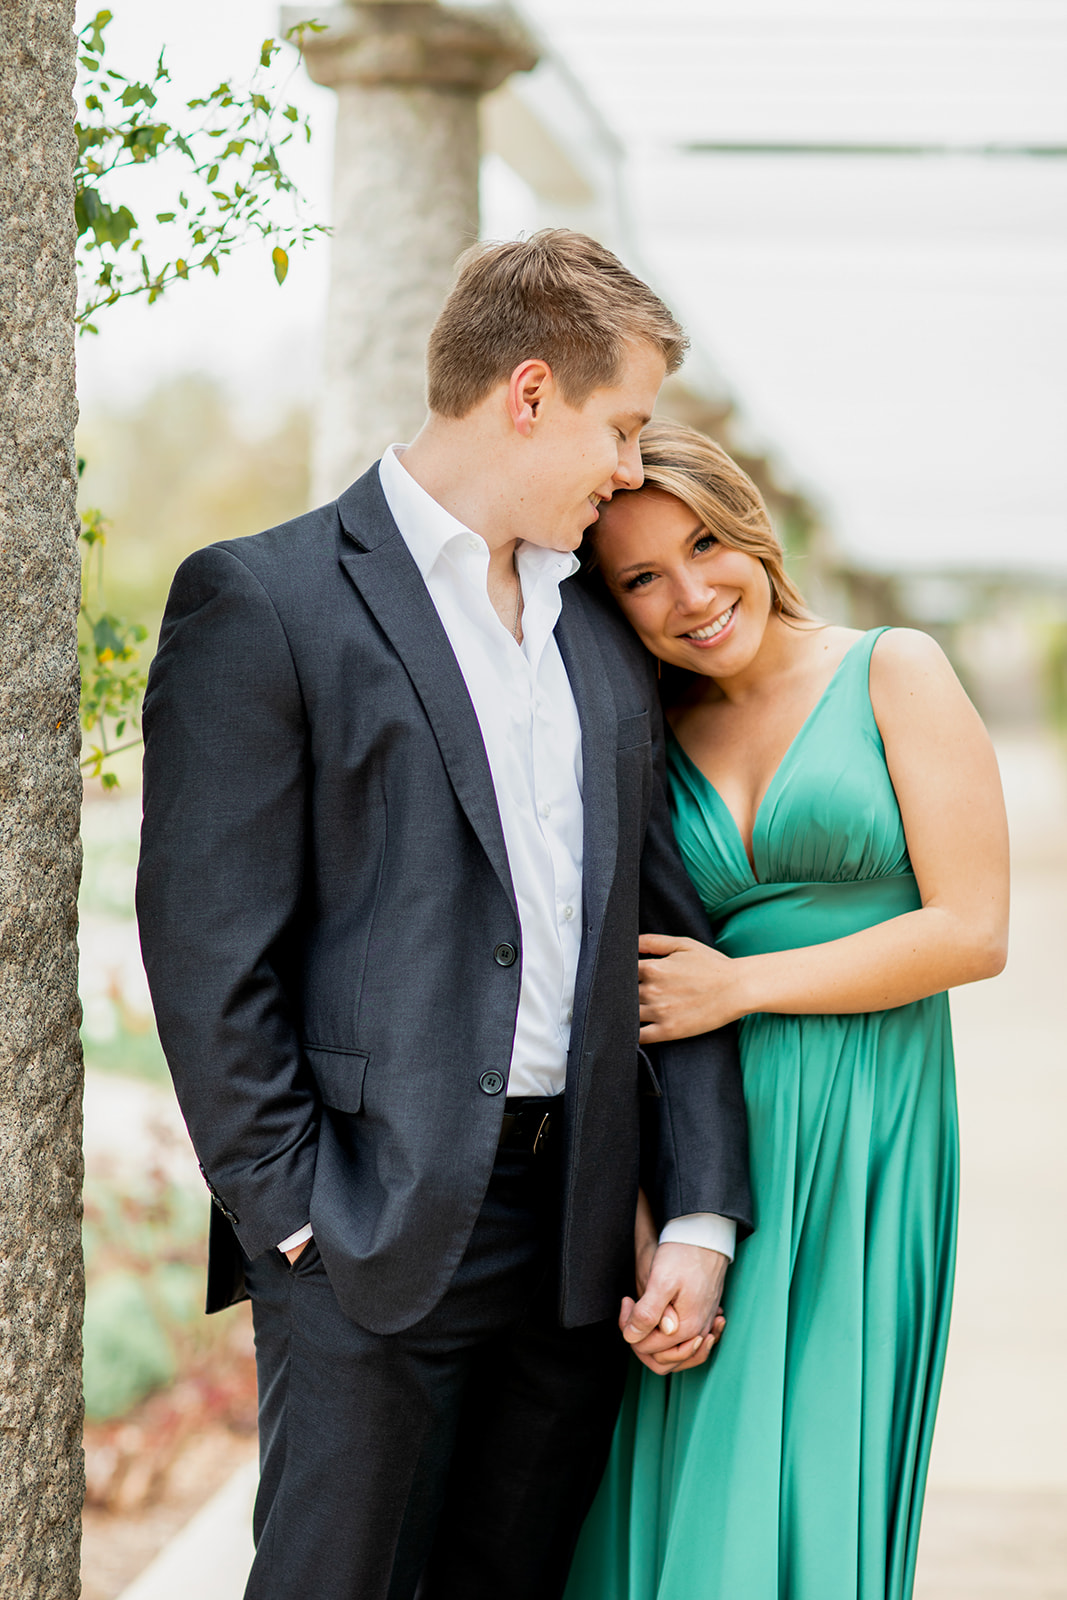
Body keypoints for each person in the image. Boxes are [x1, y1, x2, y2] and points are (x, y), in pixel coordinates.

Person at [135, 234, 753, 1600]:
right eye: (620, 425)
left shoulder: (598, 623)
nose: (630, 471)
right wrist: (294, 1215)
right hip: (367, 1231)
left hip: (575, 1243)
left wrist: (696, 1213)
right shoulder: (266, 600)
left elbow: (669, 935)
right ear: (526, 393)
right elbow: (204, 949)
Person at [565, 420, 1009, 1600]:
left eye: (705, 544)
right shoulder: (642, 735)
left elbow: (971, 930)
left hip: (868, 1126)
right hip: (713, 1139)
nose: (691, 594)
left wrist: (742, 983)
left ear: (751, 532)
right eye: (641, 578)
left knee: (817, 1457)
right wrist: (657, 1212)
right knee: (679, 1470)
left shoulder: (891, 667)